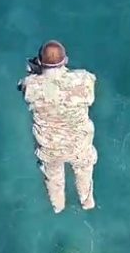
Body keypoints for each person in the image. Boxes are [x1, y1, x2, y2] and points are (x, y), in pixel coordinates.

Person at [18, 40, 97, 213]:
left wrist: (35, 73)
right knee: (84, 173)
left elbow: (23, 87)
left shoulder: (30, 85)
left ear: (39, 61)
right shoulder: (83, 80)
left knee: (54, 181)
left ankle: (58, 208)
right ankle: (87, 203)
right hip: (79, 145)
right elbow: (90, 90)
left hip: (51, 149)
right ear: (65, 60)